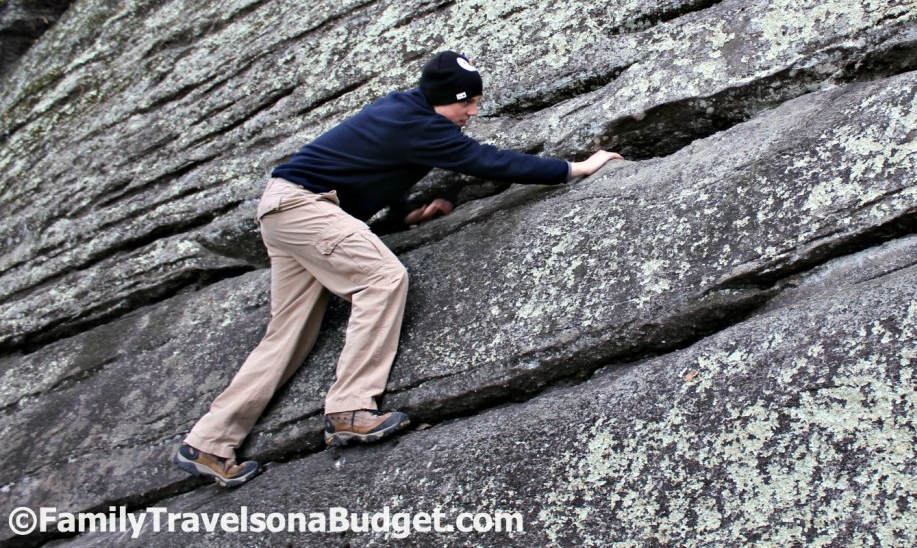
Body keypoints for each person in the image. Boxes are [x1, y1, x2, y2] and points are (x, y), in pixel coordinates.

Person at [174, 51, 622, 487]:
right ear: (441, 98)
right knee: (382, 279)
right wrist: (575, 168)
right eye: (466, 102)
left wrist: (404, 212)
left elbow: (372, 166)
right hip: (303, 208)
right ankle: (350, 410)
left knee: (288, 332)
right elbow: (486, 160)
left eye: (476, 101)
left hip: (286, 209)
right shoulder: (421, 124)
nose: (473, 111)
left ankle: (209, 443)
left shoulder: (405, 111)